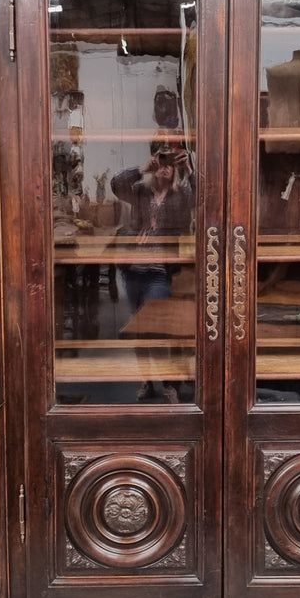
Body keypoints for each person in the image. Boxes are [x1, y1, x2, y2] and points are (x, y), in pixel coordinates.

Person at [111, 141, 194, 403]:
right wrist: (143, 169)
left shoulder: (181, 197)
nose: (166, 167)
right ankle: (147, 380)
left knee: (158, 329)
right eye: (162, 161)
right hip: (133, 271)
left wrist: (190, 171)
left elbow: (205, 197)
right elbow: (116, 185)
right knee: (139, 330)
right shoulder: (139, 192)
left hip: (159, 272)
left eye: (171, 163)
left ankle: (169, 382)